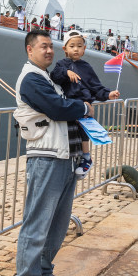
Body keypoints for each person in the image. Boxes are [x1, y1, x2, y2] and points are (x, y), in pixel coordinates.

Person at [11, 29, 93, 276]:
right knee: (37, 222)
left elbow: (63, 104)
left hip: (65, 156)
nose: (49, 51)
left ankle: (44, 272)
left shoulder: (47, 77)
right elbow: (58, 108)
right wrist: (83, 107)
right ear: (29, 49)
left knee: (57, 223)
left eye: (50, 46)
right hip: (46, 158)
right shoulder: (31, 78)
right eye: (43, 46)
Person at [50, 30, 120, 180]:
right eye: (72, 46)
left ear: (84, 49)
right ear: (65, 48)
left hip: (83, 104)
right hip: (68, 105)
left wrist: (108, 94)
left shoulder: (86, 67)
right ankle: (69, 158)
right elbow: (54, 76)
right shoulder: (61, 65)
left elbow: (96, 87)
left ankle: (86, 157)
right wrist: (66, 72)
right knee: (67, 133)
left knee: (83, 131)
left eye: (79, 46)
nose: (76, 49)